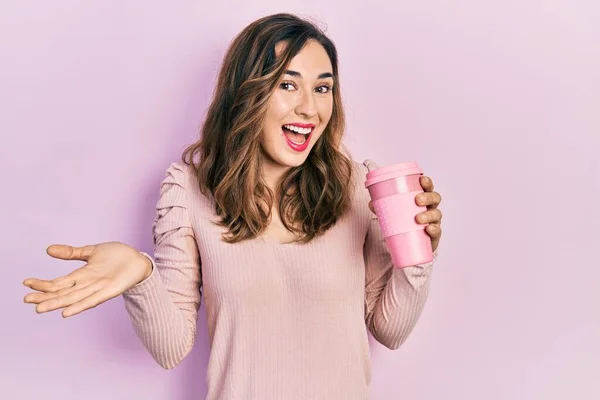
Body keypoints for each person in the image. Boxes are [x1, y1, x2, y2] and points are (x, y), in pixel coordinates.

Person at [22, 12, 443, 400]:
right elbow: (171, 349)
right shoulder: (187, 191)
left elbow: (391, 330)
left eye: (323, 87)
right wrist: (139, 273)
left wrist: (417, 255)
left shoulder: (356, 187)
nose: (309, 108)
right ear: (247, 92)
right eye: (287, 84)